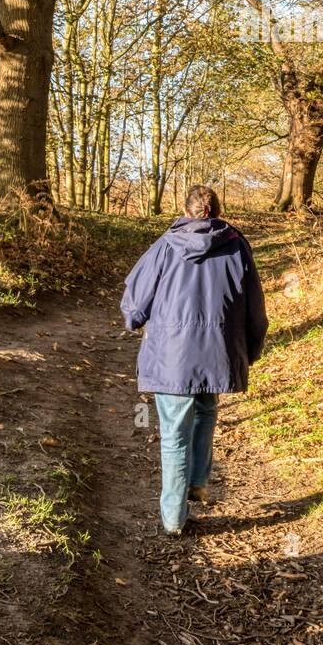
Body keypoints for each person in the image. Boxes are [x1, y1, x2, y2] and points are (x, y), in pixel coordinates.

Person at [120, 184, 268, 536]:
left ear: (185, 211)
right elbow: (255, 307)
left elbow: (136, 302)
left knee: (173, 433)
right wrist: (252, 348)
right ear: (217, 212)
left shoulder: (165, 246)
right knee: (205, 408)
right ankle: (198, 480)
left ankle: (173, 517)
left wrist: (132, 319)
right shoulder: (236, 245)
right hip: (216, 351)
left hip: (171, 356)